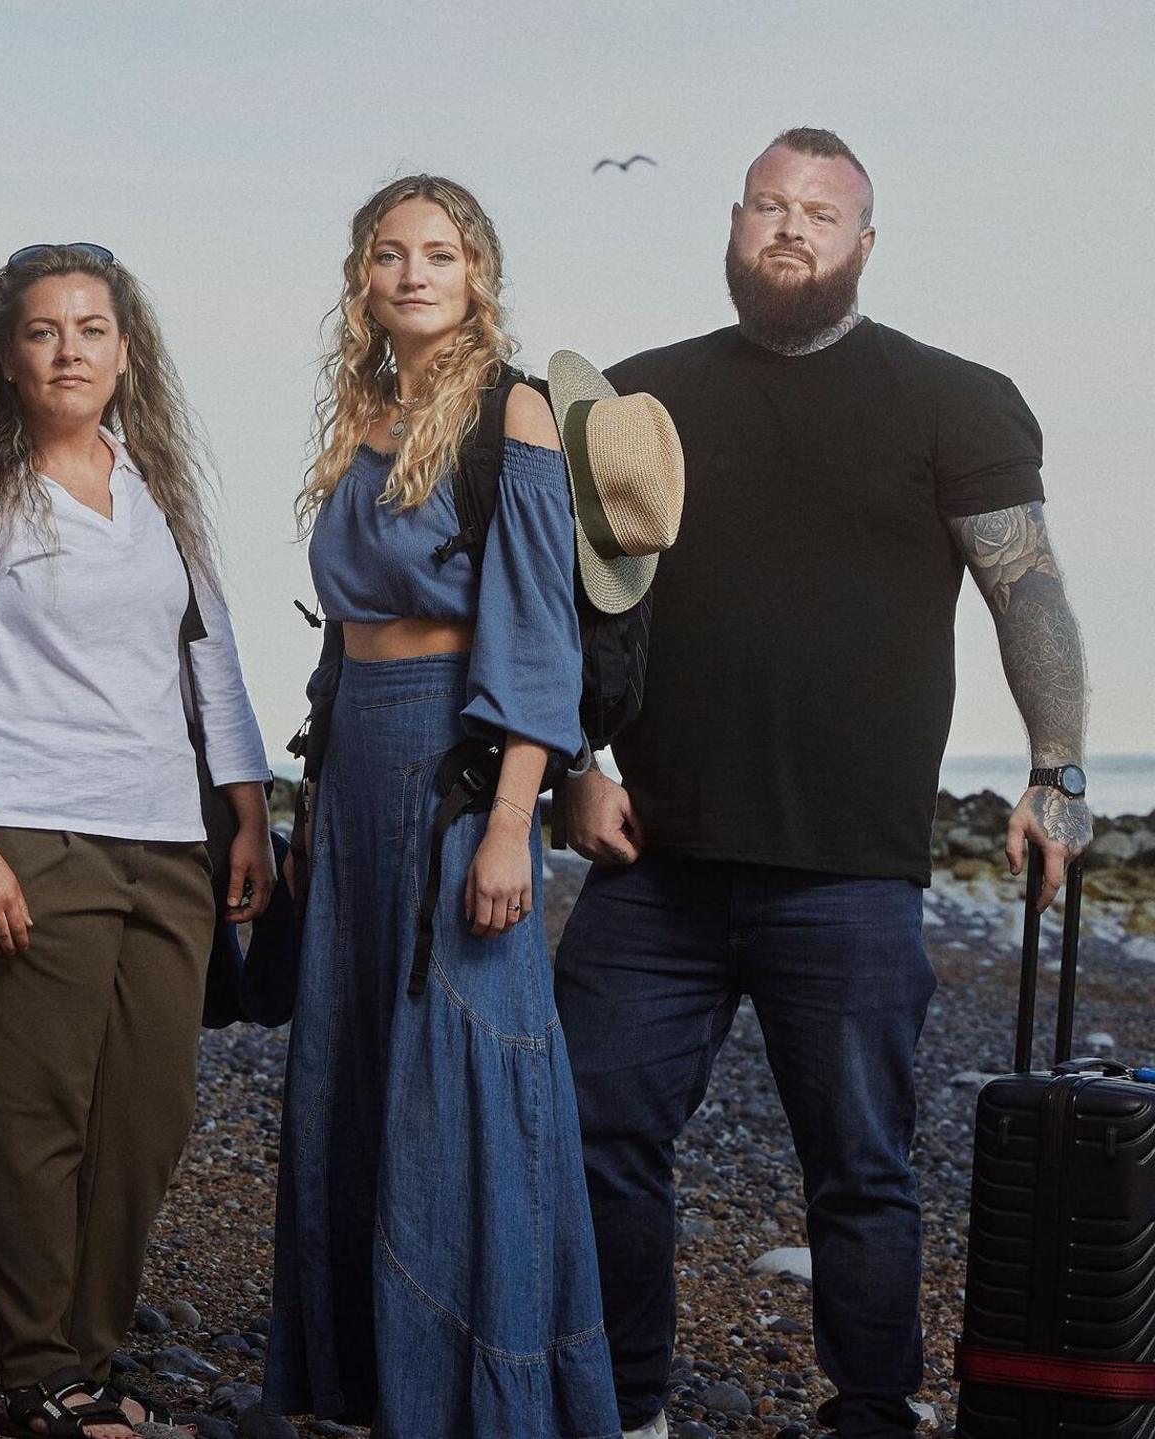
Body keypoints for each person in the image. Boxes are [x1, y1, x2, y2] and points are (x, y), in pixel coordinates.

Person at [555, 128, 1090, 1439]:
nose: (791, 229)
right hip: (657, 857)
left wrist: (1056, 768)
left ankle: (871, 1407)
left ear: (864, 243)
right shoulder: (638, 399)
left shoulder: (952, 398)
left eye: (821, 213)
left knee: (862, 1168)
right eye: (768, 207)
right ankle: (629, 1403)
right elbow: (566, 609)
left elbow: (1027, 587)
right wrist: (571, 765)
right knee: (592, 1132)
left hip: (851, 869)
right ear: (735, 226)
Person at [260, 176, 620, 1439]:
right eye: (389, 254)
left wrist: (515, 820)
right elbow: (338, 637)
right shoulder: (360, 408)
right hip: (355, 755)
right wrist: (306, 808)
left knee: (461, 1065)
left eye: (441, 254)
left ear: (478, 274)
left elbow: (537, 635)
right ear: (362, 275)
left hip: (454, 763)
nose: (414, 274)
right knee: (354, 1060)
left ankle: (479, 1391)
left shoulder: (509, 408)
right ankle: (363, 1385)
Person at [0, 244, 273, 1439]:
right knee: (37, 1113)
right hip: (26, 833)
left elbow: (208, 647)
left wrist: (246, 801)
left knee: (147, 1116)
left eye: (93, 328)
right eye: (45, 330)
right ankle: (37, 1369)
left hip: (166, 840)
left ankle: (91, 1355)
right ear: (4, 357)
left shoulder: (154, 483)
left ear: (126, 351)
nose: (70, 350)